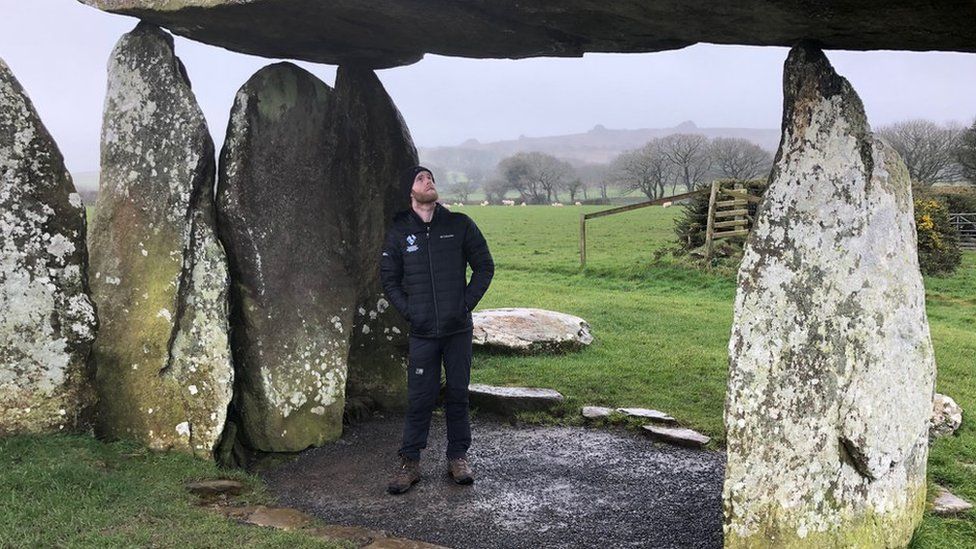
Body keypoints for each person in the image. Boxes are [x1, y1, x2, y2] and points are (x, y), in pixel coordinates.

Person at [379, 165, 494, 495]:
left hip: (457, 330)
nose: (429, 182)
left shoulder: (459, 225)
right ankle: (409, 462)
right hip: (423, 332)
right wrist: (411, 312)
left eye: (430, 178)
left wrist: (465, 303)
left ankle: (458, 457)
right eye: (420, 178)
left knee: (458, 394)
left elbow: (485, 266)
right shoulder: (400, 230)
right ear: (410, 192)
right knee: (419, 398)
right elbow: (389, 277)